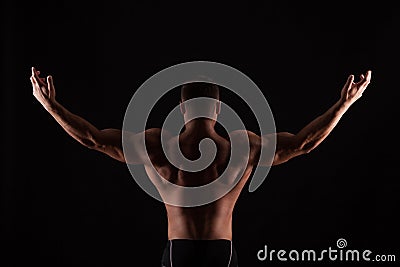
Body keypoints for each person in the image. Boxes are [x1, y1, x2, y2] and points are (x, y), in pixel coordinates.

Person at [31, 66, 371, 267]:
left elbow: (93, 139)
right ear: (219, 109)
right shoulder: (243, 147)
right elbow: (303, 144)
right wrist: (345, 103)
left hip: (178, 251)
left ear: (182, 108)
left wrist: (51, 106)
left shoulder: (156, 145)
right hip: (221, 251)